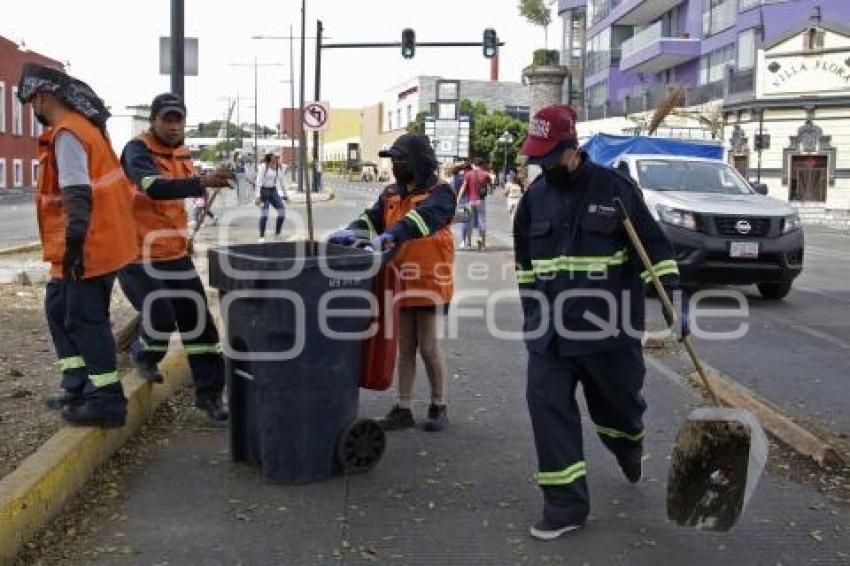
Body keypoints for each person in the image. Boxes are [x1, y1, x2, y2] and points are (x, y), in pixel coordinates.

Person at [513, 105, 685, 540]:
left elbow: (655, 249)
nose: (543, 164)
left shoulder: (616, 191)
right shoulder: (534, 199)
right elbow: (526, 268)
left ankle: (628, 444)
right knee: (547, 410)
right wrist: (533, 315)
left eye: (550, 155)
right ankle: (566, 507)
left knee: (618, 413)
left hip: (608, 334)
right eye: (538, 156)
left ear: (573, 148)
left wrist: (672, 301)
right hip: (550, 336)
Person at [18, 63, 139, 427]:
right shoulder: (79, 129)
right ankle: (78, 384)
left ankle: (107, 401)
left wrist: (74, 249)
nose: (33, 110)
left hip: (89, 245)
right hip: (90, 243)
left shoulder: (69, 133)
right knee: (58, 309)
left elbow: (77, 194)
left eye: (31, 102)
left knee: (85, 320)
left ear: (42, 96)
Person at [328, 133, 456, 432]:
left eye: (402, 160)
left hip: (430, 279)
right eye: (394, 160)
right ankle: (403, 407)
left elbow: (423, 220)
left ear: (420, 162)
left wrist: (394, 234)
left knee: (428, 346)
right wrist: (351, 231)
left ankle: (439, 405)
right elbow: (371, 219)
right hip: (398, 279)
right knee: (405, 346)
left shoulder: (441, 193)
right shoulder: (390, 193)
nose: (396, 166)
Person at [118, 92, 232, 422]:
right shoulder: (136, 150)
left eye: (178, 119)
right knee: (161, 314)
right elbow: (153, 187)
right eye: (166, 119)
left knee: (199, 325)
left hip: (173, 251)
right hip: (135, 253)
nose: (172, 126)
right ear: (153, 120)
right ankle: (142, 352)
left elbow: (174, 204)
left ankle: (210, 395)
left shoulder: (182, 152)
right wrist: (200, 181)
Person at [457, 157, 492, 250]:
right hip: (481, 201)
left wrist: (458, 199)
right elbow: (490, 186)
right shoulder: (485, 175)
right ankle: (482, 245)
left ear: (473, 164)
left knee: (469, 222)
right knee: (482, 222)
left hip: (470, 201)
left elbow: (464, 187)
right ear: (481, 165)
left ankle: (469, 243)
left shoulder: (468, 174)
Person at [255, 152, 288, 242]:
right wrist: (258, 196)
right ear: (270, 157)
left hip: (273, 191)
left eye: (278, 157)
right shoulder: (263, 166)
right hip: (264, 192)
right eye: (275, 157)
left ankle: (277, 233)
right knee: (264, 215)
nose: (277, 158)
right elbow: (258, 182)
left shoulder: (279, 167)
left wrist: (286, 195)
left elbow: (282, 182)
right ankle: (262, 236)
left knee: (282, 211)